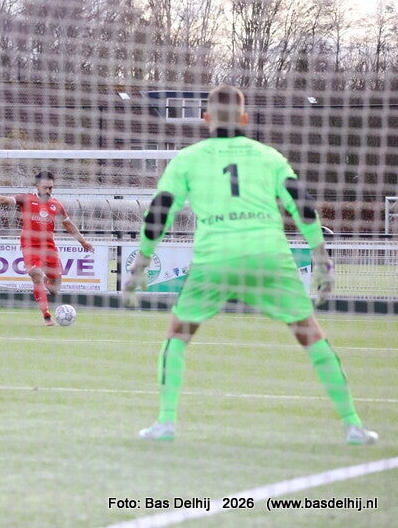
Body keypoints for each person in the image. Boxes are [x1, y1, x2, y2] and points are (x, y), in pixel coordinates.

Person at [125, 84, 377, 445]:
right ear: (244, 119)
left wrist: (141, 263)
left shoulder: (188, 158)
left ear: (205, 118)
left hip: (215, 258)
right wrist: (321, 257)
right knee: (311, 335)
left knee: (177, 337)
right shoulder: (268, 156)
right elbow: (302, 205)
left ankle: (165, 423)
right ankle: (353, 425)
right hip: (268, 255)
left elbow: (159, 211)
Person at [0, 171, 94, 326]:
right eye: (45, 187)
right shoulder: (27, 199)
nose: (48, 191)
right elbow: (5, 199)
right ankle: (47, 315)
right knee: (36, 274)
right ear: (37, 186)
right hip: (30, 246)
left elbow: (68, 224)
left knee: (55, 289)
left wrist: (83, 242)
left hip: (49, 248)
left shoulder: (56, 205)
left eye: (51, 188)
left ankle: (46, 283)